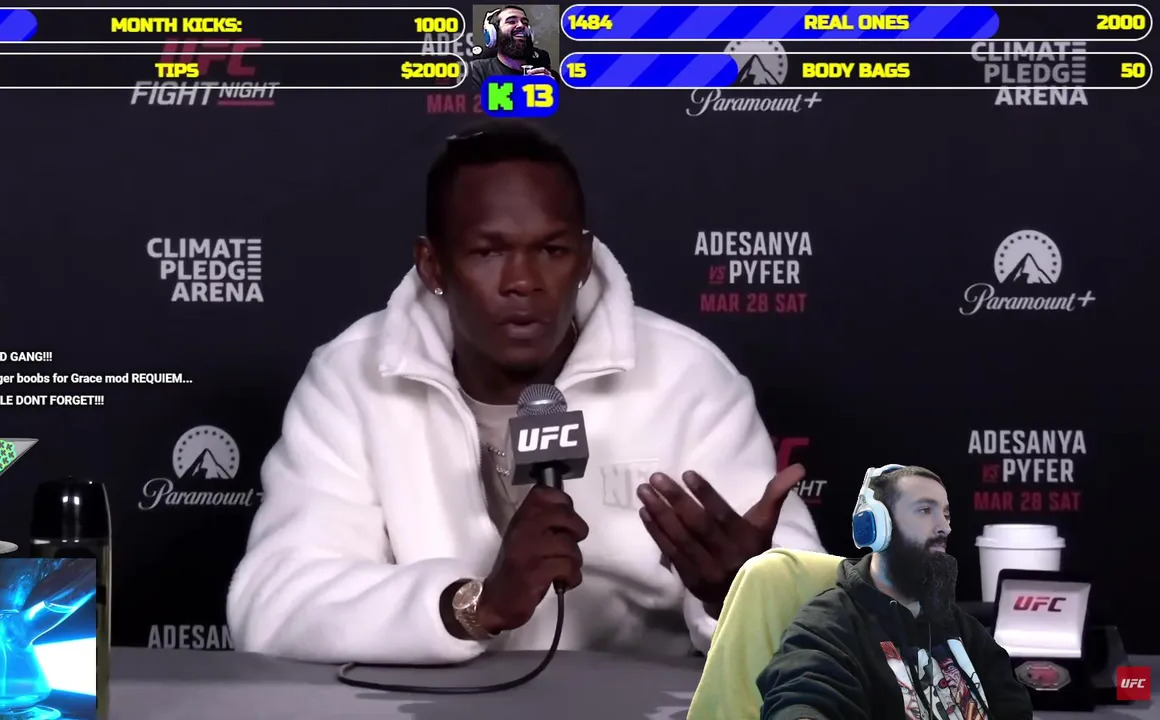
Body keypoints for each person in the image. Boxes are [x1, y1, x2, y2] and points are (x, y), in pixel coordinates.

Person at [227, 121, 823, 665]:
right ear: (432, 266)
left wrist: (739, 595)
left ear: (584, 260)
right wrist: (472, 605)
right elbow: (274, 601)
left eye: (553, 251)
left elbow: (813, 617)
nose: (523, 282)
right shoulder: (351, 377)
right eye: (489, 252)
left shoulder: (688, 376)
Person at [756, 465, 1034, 720]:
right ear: (877, 526)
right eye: (924, 510)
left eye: (946, 514)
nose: (944, 527)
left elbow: (1013, 707)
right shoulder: (828, 626)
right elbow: (804, 695)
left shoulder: (960, 626)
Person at [466, 6, 553, 93]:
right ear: (493, 33)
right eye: (511, 21)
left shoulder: (543, 71)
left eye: (525, 23)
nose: (521, 25)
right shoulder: (477, 71)